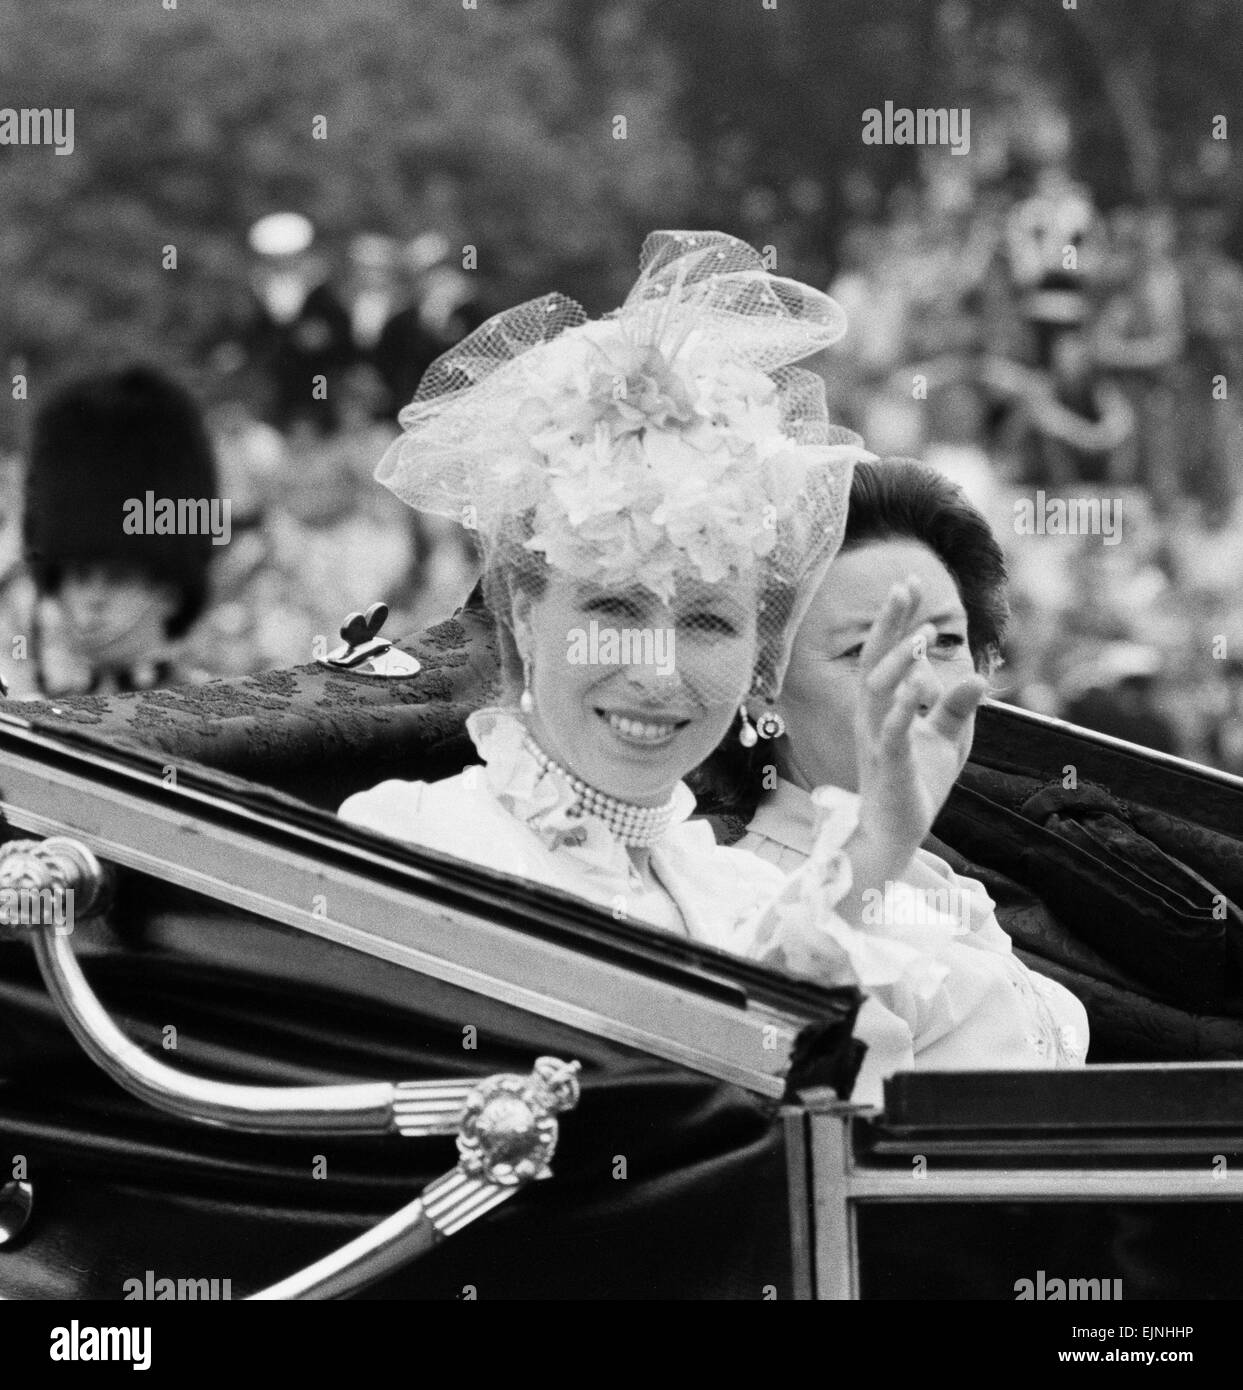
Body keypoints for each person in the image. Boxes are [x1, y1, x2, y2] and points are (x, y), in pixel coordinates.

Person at [340, 231, 1078, 1103]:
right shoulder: (413, 838)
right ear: (522, 612)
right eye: (613, 608)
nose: (657, 672)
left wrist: (878, 853)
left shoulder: (731, 891)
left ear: (755, 654)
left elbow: (837, 1143)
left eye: (706, 622)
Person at [694, 458, 1088, 1094]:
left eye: (947, 642)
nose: (924, 685)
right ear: (762, 691)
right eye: (863, 652)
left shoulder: (943, 879)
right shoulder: (764, 903)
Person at [12, 366, 219, 697]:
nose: (93, 599)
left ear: (170, 592)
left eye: (118, 578)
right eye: (79, 576)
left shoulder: (220, 713)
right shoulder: (28, 716)